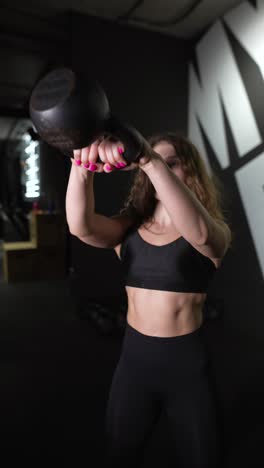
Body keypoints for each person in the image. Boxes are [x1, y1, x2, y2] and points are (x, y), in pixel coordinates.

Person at [65, 131, 231, 468]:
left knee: (204, 460)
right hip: (135, 365)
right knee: (120, 456)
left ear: (191, 171)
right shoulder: (128, 229)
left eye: (172, 164)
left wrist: (149, 159)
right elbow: (80, 226)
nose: (159, 171)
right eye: (157, 164)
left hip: (187, 369)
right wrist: (81, 165)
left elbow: (199, 232)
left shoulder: (212, 232)